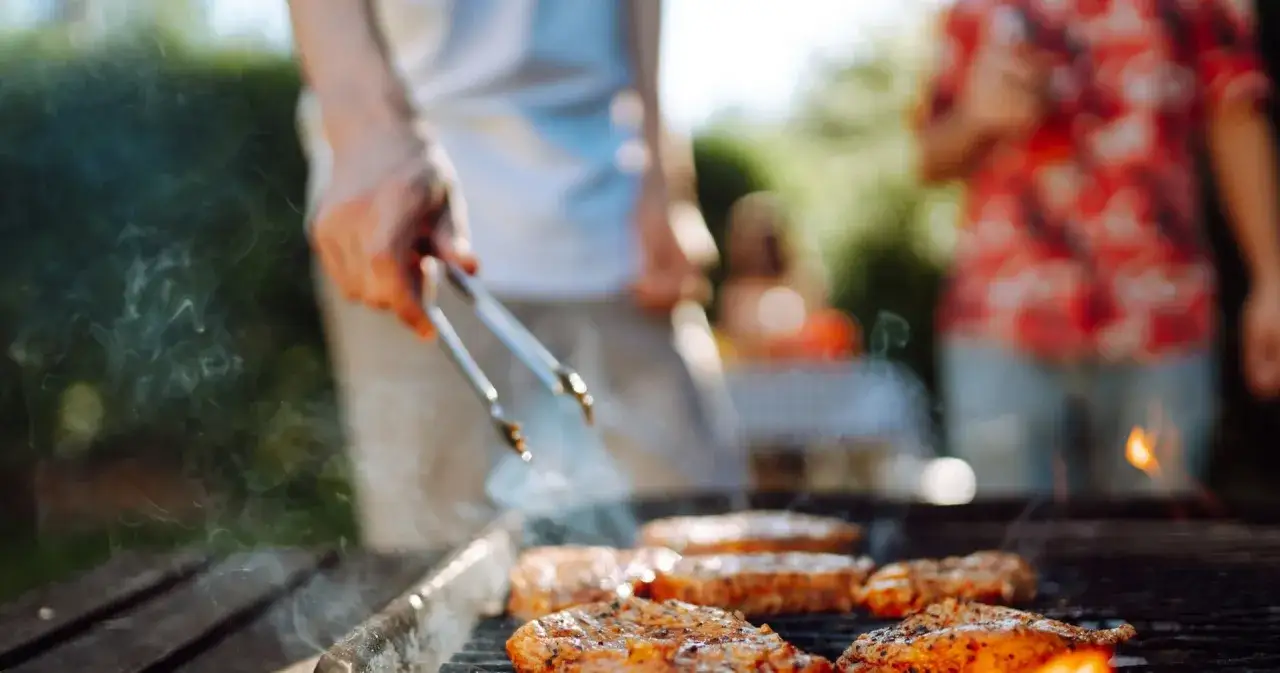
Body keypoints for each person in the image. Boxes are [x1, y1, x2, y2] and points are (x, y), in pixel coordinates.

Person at [287, 0, 745, 551]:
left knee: (711, 536)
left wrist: (663, 175)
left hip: (614, 206)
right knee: (433, 560)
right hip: (405, 209)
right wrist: (369, 131)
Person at [916, 0, 1280, 495]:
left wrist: (1271, 278)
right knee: (1003, 546)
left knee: (1156, 542)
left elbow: (1235, 113)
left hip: (1160, 318)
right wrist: (978, 118)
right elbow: (928, 157)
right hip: (1003, 322)